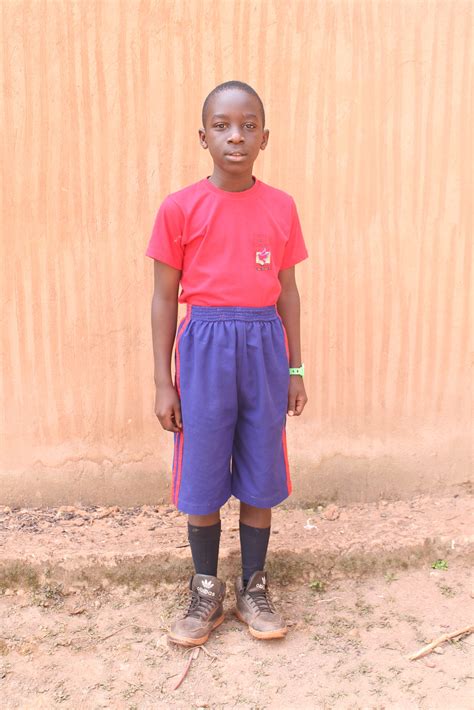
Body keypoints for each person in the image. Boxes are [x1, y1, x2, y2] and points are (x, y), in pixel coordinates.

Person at [146, 80, 308, 647]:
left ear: (265, 137)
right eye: (222, 126)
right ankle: (206, 590)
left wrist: (295, 369)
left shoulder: (282, 207)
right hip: (204, 349)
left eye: (248, 126)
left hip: (264, 347)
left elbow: (288, 291)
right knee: (203, 468)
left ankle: (254, 588)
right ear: (203, 137)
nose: (235, 136)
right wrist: (163, 382)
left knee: (261, 467)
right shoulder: (179, 208)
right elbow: (164, 297)